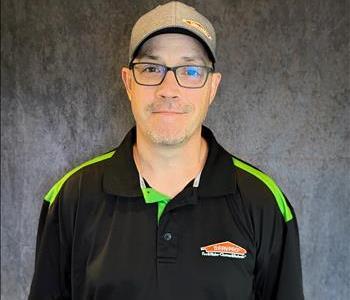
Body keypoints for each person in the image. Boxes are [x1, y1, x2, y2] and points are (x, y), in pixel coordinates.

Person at [29, 1, 304, 299]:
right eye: (151, 68)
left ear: (212, 87)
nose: (169, 89)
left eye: (190, 70)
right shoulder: (72, 197)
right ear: (128, 83)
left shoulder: (263, 201)